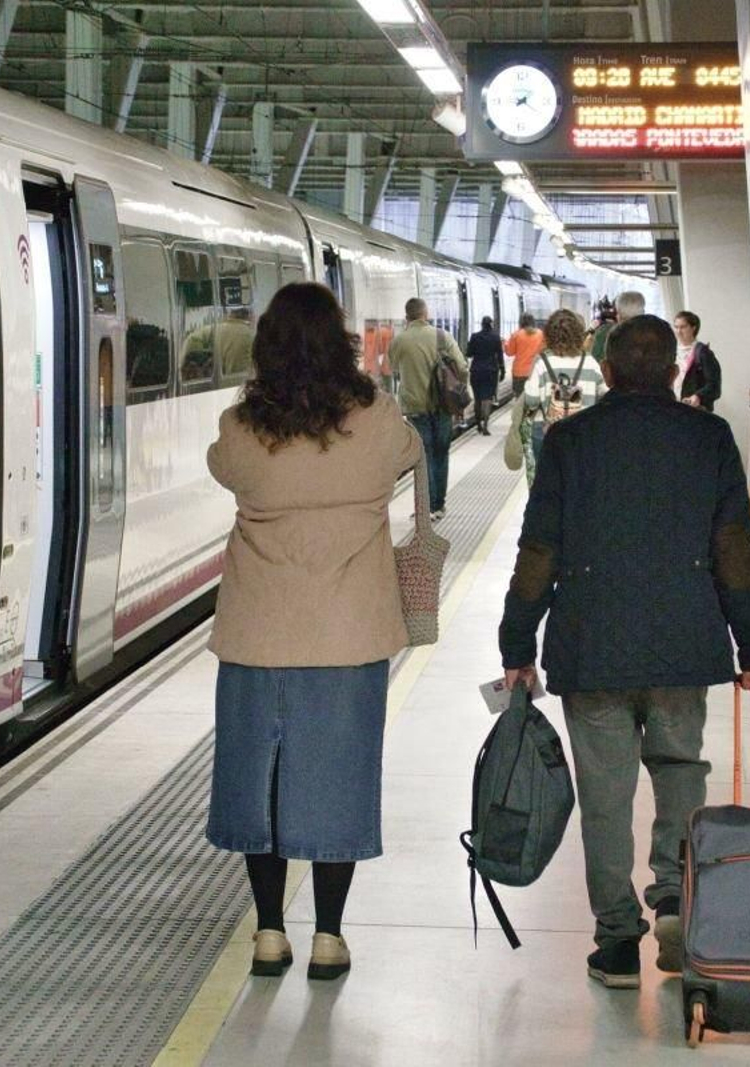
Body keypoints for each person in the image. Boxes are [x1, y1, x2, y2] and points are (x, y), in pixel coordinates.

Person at [497, 313, 750, 990]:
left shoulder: (570, 440)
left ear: (612, 372)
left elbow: (539, 551)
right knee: (681, 769)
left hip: (592, 644)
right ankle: (677, 896)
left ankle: (618, 940)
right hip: (685, 640)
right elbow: (734, 553)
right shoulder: (709, 437)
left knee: (605, 793)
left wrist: (517, 642)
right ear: (677, 372)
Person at [207, 282, 422, 983]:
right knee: (337, 778)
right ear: (341, 344)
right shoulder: (377, 418)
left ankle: (270, 931)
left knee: (260, 781)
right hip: (349, 636)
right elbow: (410, 452)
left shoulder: (243, 426)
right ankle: (328, 935)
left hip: (257, 634)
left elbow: (221, 469)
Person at [388, 297, 467, 520]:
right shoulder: (442, 337)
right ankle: (438, 505)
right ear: (426, 314)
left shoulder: (399, 341)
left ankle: (427, 508)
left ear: (407, 317)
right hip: (443, 406)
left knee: (424, 457)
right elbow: (461, 367)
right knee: (441, 455)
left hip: (415, 408)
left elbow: (392, 369)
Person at [518, 307, 604, 487]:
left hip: (546, 431)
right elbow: (604, 396)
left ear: (549, 334)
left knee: (546, 484)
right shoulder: (590, 363)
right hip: (582, 434)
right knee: (578, 484)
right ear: (578, 334)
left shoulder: (542, 363)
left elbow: (532, 399)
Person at [673, 310, 722, 413]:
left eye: (683, 327)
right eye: (676, 327)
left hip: (696, 411)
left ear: (693, 328)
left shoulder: (703, 352)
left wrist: (698, 396)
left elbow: (714, 386)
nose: (678, 331)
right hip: (675, 409)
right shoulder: (671, 352)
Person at [465, 315, 505, 435]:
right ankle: (486, 426)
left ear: (482, 325)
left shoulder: (475, 337)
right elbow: (500, 355)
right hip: (491, 371)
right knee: (487, 399)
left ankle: (478, 425)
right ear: (491, 324)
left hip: (477, 371)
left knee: (478, 399)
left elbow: (469, 353)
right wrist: (503, 370)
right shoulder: (496, 337)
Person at [503, 313, 545, 396]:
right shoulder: (541, 334)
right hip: (536, 370)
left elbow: (509, 352)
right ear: (533, 322)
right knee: (535, 395)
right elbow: (544, 351)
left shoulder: (516, 334)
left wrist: (504, 343)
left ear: (521, 322)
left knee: (519, 397)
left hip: (519, 372)